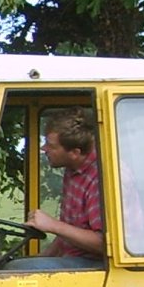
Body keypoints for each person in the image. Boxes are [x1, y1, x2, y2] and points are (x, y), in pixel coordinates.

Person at [27, 110, 104, 258]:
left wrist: (53, 225)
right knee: (16, 268)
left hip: (95, 265)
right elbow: (68, 233)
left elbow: (104, 244)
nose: (44, 149)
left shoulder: (101, 179)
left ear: (75, 153)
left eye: (51, 146)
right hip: (73, 259)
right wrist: (42, 258)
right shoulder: (73, 170)